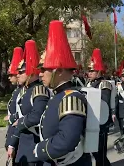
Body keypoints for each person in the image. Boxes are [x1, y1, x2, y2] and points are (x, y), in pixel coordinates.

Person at [34, 20, 94, 166]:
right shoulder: (58, 96)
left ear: (59, 70)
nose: (40, 74)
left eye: (44, 70)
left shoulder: (71, 98)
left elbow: (67, 141)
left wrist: (40, 149)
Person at [8, 40, 50, 166]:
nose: (17, 74)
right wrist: (12, 143)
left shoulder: (39, 90)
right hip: (22, 145)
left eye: (21, 72)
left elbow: (37, 116)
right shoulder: (25, 91)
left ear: (30, 71)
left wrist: (18, 120)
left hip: (32, 146)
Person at [86, 49, 112, 166]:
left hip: (100, 122)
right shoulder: (88, 84)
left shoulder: (104, 84)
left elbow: (104, 104)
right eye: (89, 71)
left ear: (99, 72)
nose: (89, 73)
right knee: (93, 150)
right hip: (90, 121)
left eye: (92, 71)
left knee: (100, 154)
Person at [4, 47, 23, 166]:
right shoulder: (17, 91)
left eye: (12, 74)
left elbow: (23, 114)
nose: (9, 78)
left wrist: (11, 118)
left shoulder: (22, 92)